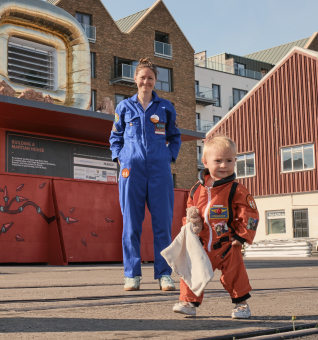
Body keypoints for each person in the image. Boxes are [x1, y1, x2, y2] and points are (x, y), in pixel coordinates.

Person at [110, 58, 181, 292]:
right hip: (132, 172)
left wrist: (169, 156)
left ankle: (164, 275)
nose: (146, 81)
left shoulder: (165, 107)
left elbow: (175, 136)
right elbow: (115, 137)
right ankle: (132, 275)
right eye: (142, 77)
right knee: (131, 224)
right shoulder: (123, 107)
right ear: (135, 79)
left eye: (150, 77)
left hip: (160, 170)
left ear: (155, 80)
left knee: (162, 224)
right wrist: (121, 157)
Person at [173, 136, 259, 319]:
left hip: (228, 243)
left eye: (229, 161)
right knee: (192, 272)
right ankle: (189, 303)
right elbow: (190, 212)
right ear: (205, 162)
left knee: (235, 274)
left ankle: (242, 305)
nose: (223, 166)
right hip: (202, 244)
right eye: (218, 161)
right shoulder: (196, 189)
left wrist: (242, 236)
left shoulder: (237, 189)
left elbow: (250, 213)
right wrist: (189, 228)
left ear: (235, 161)